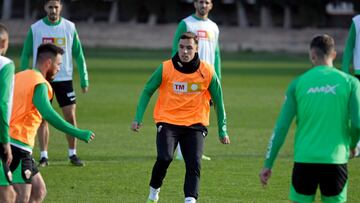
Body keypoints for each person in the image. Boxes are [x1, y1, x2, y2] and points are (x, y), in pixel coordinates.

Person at [259, 34, 360, 203]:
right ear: (334, 54)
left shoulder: (298, 84)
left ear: (312, 56)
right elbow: (357, 123)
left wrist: (268, 164)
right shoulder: (351, 83)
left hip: (304, 161)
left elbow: (281, 128)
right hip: (336, 160)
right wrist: (352, 146)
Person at [131, 32, 230, 203]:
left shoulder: (207, 71)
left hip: (196, 125)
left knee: (194, 163)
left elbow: (219, 103)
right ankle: (154, 193)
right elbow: (147, 90)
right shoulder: (166, 68)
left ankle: (190, 200)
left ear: (197, 49)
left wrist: (223, 130)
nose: (185, 51)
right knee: (165, 158)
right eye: (182, 47)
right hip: (168, 122)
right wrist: (138, 118)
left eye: (189, 48)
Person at [10, 43, 95, 203]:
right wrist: (78, 132)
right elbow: (48, 114)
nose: (59, 69)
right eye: (58, 64)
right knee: (22, 197)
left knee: (38, 191)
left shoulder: (19, 76)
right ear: (48, 63)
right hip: (17, 144)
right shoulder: (40, 84)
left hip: (12, 142)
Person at [20, 0, 89, 166]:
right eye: (50, 7)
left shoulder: (69, 27)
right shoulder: (35, 28)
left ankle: (72, 153)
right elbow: (25, 54)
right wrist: (24, 76)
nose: (53, 10)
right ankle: (44, 155)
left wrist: (84, 78)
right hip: (41, 79)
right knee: (42, 117)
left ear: (61, 8)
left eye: (56, 7)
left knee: (70, 116)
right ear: (45, 8)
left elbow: (78, 54)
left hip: (64, 78)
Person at [172, 0, 221, 161]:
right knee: (184, 111)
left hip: (207, 77)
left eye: (207, 2)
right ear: (195, 4)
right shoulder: (186, 24)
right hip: (188, 75)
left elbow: (216, 54)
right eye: (200, 2)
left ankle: (195, 150)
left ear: (211, 5)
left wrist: (218, 77)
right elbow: (176, 49)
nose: (203, 5)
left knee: (202, 113)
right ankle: (180, 152)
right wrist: (176, 72)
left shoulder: (214, 27)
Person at [0, 23, 16, 203]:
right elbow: (2, 104)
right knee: (7, 194)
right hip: (0, 134)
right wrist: (6, 140)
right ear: (4, 43)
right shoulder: (5, 64)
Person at [342, 14, 360, 156]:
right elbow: (349, 47)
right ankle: (356, 144)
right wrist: (344, 72)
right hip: (359, 73)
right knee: (356, 111)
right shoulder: (357, 20)